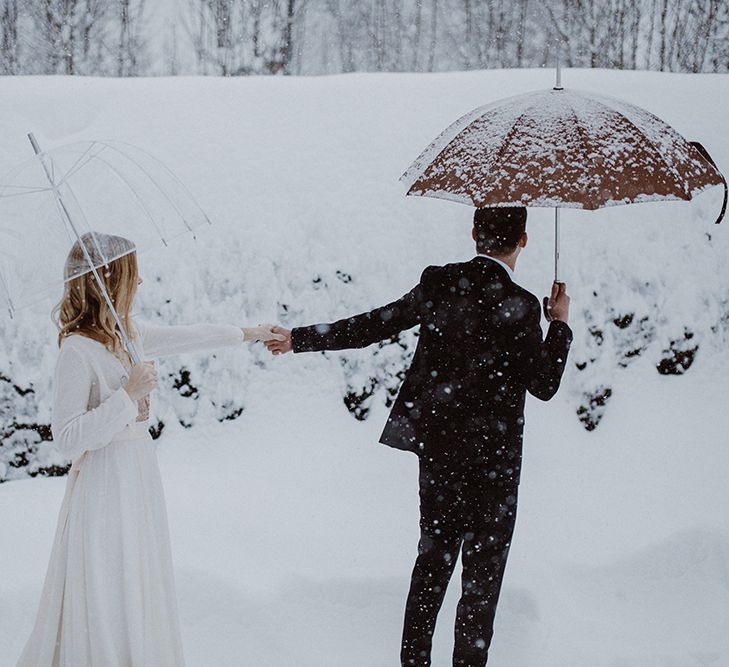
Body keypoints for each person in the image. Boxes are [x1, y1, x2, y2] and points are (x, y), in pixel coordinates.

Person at [265, 206, 573, 666]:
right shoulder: (524, 307)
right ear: (524, 241)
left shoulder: (439, 284)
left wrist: (299, 338)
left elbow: (373, 324)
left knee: (431, 568)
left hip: (442, 456)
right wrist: (560, 324)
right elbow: (544, 385)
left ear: (474, 233)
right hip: (496, 465)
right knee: (481, 584)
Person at [16, 232, 281, 667]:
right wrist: (126, 397)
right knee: (106, 575)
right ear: (109, 279)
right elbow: (65, 438)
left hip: (137, 472)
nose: (140, 283)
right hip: (104, 482)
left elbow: (188, 337)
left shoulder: (128, 333)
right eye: (133, 274)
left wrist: (248, 333)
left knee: (136, 572)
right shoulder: (77, 351)